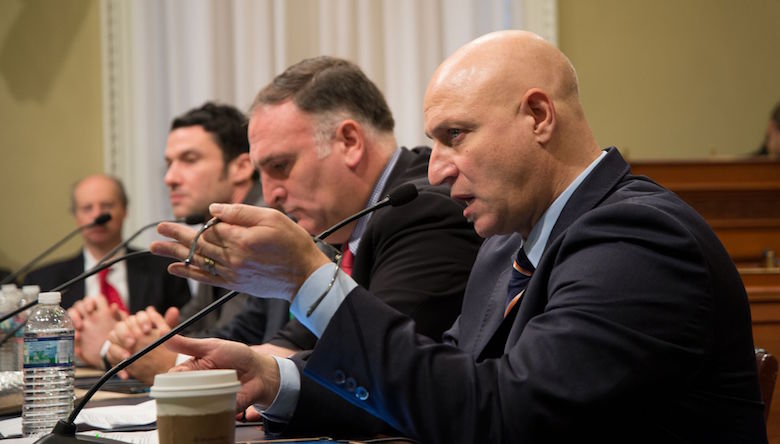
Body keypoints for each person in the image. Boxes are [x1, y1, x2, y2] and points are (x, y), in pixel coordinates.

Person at [151, 31, 766, 443]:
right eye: (436, 141)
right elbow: (438, 385)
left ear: (538, 116)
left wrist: (309, 279)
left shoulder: (637, 239)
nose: (438, 169)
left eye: (456, 135)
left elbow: (500, 418)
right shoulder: (505, 246)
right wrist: (274, 377)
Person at [107, 57, 483, 384]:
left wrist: (175, 364)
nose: (271, 196)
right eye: (262, 172)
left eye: (281, 167)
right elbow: (288, 346)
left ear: (349, 142)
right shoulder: (338, 225)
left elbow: (380, 367)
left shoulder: (419, 209)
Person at [23, 174, 191, 368]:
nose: (97, 216)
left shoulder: (165, 269)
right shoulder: (45, 280)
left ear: (125, 210)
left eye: (107, 206)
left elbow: (187, 331)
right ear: (76, 217)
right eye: (87, 208)